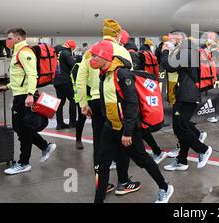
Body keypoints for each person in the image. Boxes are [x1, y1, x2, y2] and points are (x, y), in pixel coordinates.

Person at [89, 41, 174, 203]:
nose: (91, 59)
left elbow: (132, 104)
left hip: (127, 130)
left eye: (94, 55)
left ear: (105, 56)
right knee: (102, 164)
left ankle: (164, 187)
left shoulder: (122, 74)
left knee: (143, 160)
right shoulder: (104, 74)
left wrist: (127, 132)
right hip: (110, 127)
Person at [77, 19, 134, 194]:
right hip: (116, 103)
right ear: (117, 35)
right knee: (122, 142)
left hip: (95, 101)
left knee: (99, 144)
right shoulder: (122, 50)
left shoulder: (90, 52)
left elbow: (80, 80)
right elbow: (129, 80)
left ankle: (101, 184)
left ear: (104, 33)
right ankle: (123, 182)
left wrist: (83, 103)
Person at [0, 28, 56, 175]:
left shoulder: (24, 52)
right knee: (21, 128)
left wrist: (30, 94)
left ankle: (24, 162)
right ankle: (45, 146)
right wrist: (8, 86)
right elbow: (19, 77)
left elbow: (32, 75)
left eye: (10, 38)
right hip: (20, 94)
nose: (7, 41)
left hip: (24, 97)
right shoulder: (18, 52)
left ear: (18, 39)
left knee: (23, 130)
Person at [161, 31, 213, 171]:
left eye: (173, 37)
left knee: (180, 126)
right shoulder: (191, 50)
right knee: (181, 126)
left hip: (187, 95)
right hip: (188, 94)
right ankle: (182, 160)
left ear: (180, 38)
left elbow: (168, 66)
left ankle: (203, 149)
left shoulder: (187, 52)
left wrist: (165, 51)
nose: (170, 39)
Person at [53, 40, 77, 130]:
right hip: (65, 80)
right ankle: (72, 123)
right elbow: (73, 65)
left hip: (56, 80)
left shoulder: (56, 51)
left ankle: (59, 124)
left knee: (60, 102)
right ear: (71, 47)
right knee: (73, 100)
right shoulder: (66, 53)